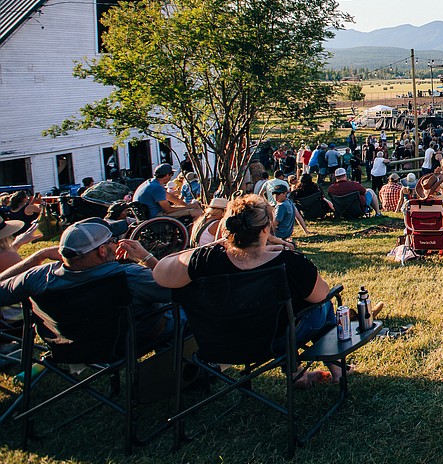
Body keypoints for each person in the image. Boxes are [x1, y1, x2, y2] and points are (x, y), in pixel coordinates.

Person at [152, 194, 350, 387]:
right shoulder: (289, 262)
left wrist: (216, 244)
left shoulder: (204, 261)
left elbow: (160, 272)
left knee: (282, 319)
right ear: (265, 230)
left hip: (217, 343)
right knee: (321, 307)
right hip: (274, 342)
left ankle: (298, 373)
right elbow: (321, 295)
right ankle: (335, 371)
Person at [0, 217, 175, 352]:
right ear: (101, 250)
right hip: (130, 343)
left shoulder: (38, 276)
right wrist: (147, 258)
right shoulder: (129, 276)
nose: (116, 244)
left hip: (70, 346)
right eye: (113, 240)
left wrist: (38, 256)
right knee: (186, 312)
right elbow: (180, 288)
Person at [133, 164, 202, 220]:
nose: (171, 177)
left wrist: (186, 205)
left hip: (148, 213)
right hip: (156, 216)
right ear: (167, 175)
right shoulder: (157, 188)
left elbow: (170, 197)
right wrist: (190, 207)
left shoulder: (151, 183)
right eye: (171, 174)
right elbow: (168, 210)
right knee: (196, 212)